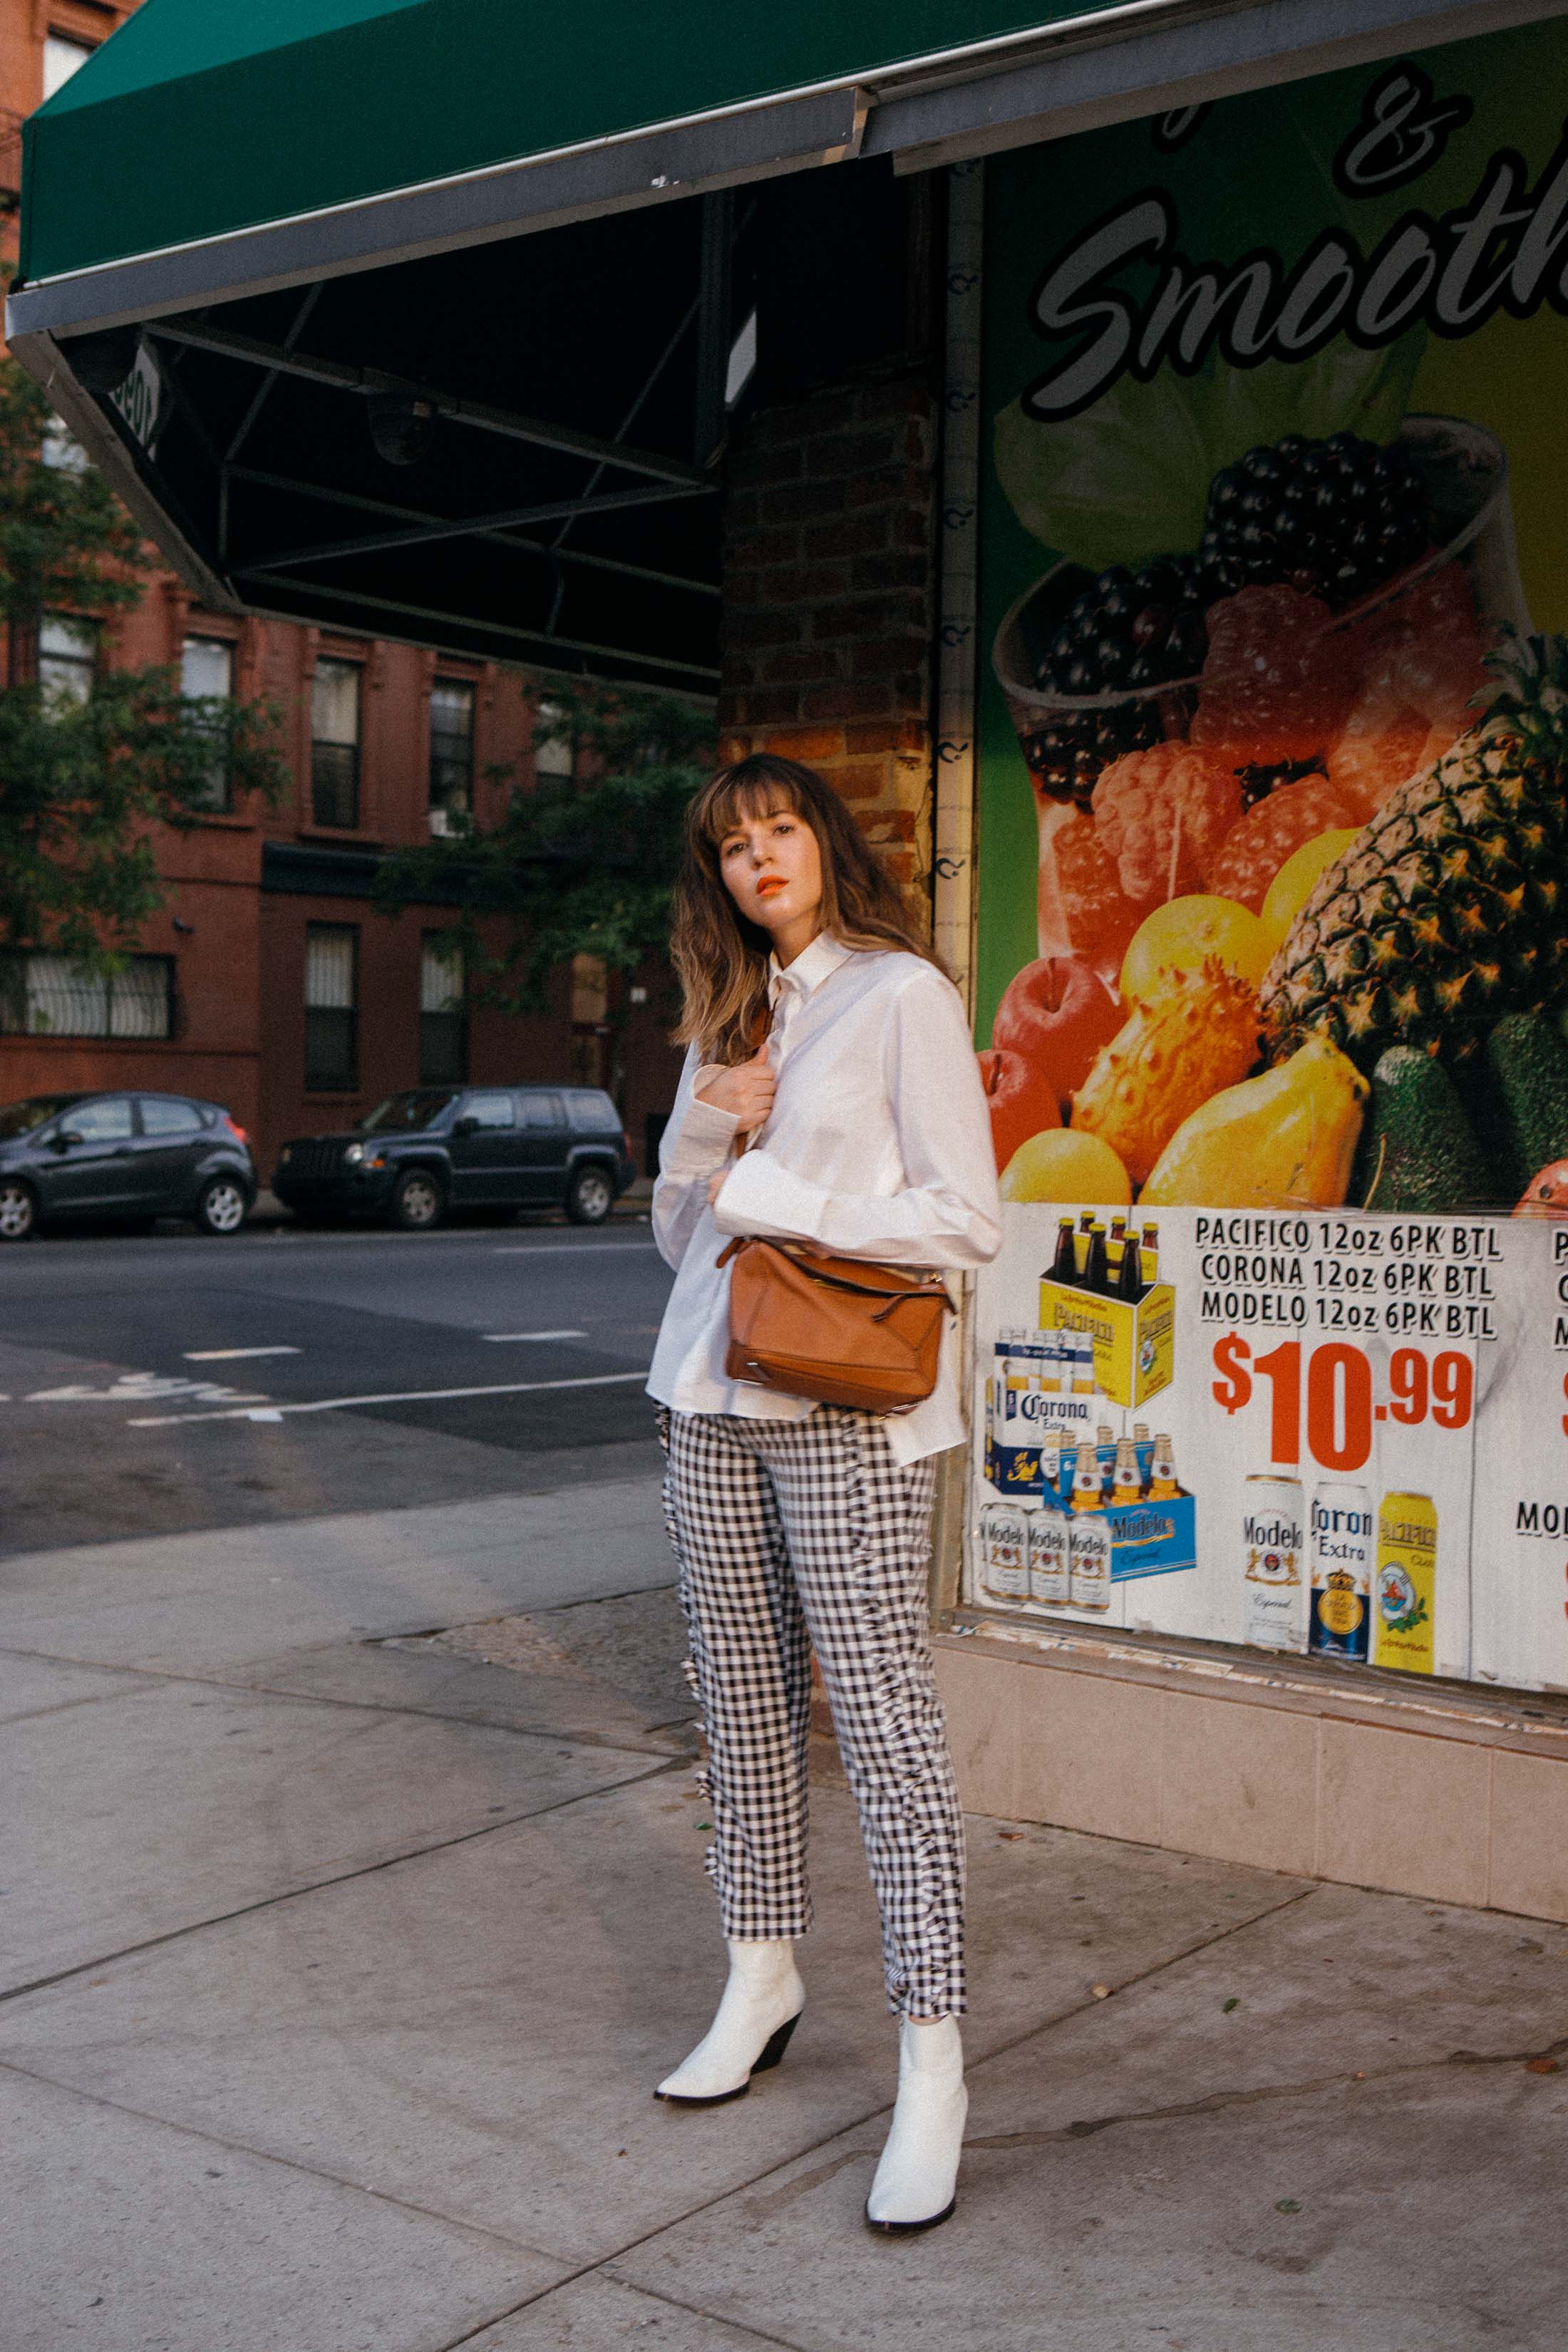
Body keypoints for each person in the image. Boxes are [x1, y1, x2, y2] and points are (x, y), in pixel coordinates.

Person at [646, 752, 1001, 2233]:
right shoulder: (726, 1017)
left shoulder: (899, 994)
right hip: (703, 1399)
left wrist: (771, 1190)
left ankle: (932, 2058)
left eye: (778, 831)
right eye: (731, 848)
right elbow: (682, 1243)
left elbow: (963, 1221)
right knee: (735, 1706)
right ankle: (760, 1975)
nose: (757, 861)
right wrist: (701, 1133)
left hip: (846, 1410)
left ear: (821, 844)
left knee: (882, 1729)